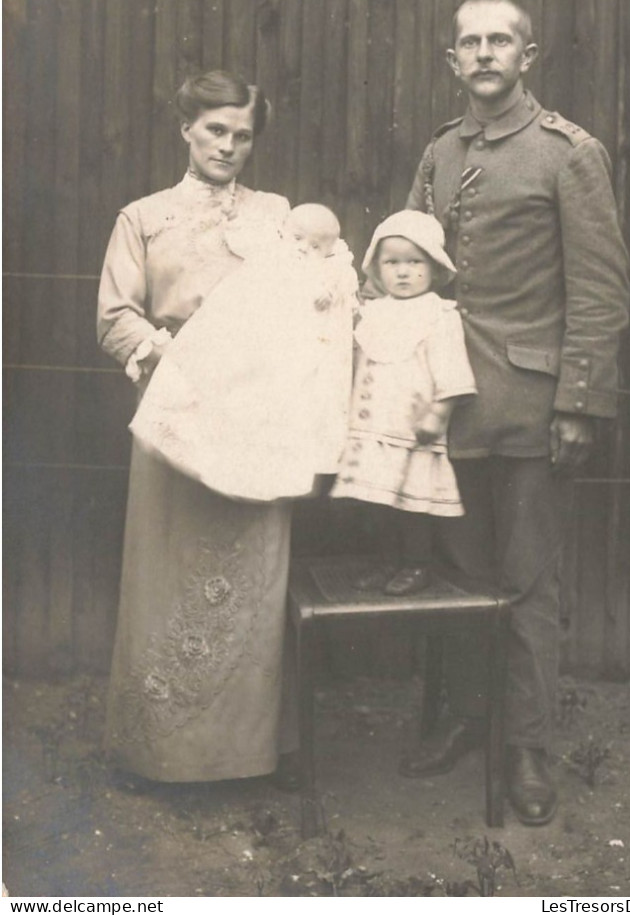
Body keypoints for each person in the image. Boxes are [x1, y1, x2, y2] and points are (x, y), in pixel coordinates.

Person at [400, 0, 630, 824]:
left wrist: (578, 404)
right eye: (471, 42)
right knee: (456, 578)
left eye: (501, 40)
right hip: (447, 406)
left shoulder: (566, 154)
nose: (485, 53)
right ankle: (466, 717)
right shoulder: (439, 152)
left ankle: (526, 746)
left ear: (527, 57)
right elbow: (410, 263)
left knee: (527, 582)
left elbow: (600, 292)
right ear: (451, 59)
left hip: (531, 407)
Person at [97, 69, 302, 787]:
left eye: (243, 135)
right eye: (216, 129)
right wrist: (159, 349)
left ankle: (245, 760)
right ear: (185, 128)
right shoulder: (143, 217)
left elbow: (310, 294)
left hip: (258, 417)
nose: (229, 145)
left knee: (253, 579)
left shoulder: (278, 215)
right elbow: (115, 314)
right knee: (168, 573)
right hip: (177, 409)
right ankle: (163, 756)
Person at [129, 202, 358, 501]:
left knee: (267, 413)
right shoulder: (272, 253)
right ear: (284, 234)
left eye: (315, 246)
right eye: (297, 238)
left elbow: (332, 294)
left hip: (287, 352)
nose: (303, 249)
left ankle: (249, 474)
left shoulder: (329, 270)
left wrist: (327, 291)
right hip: (250, 338)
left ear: (329, 251)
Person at [331, 210, 477, 595]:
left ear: (433, 267)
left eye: (415, 262)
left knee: (411, 504)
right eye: (392, 263)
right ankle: (385, 561)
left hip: (412, 429)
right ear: (377, 268)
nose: (403, 272)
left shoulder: (439, 315)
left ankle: (416, 564)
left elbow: (452, 370)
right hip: (371, 425)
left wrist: (438, 413)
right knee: (375, 502)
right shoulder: (371, 313)